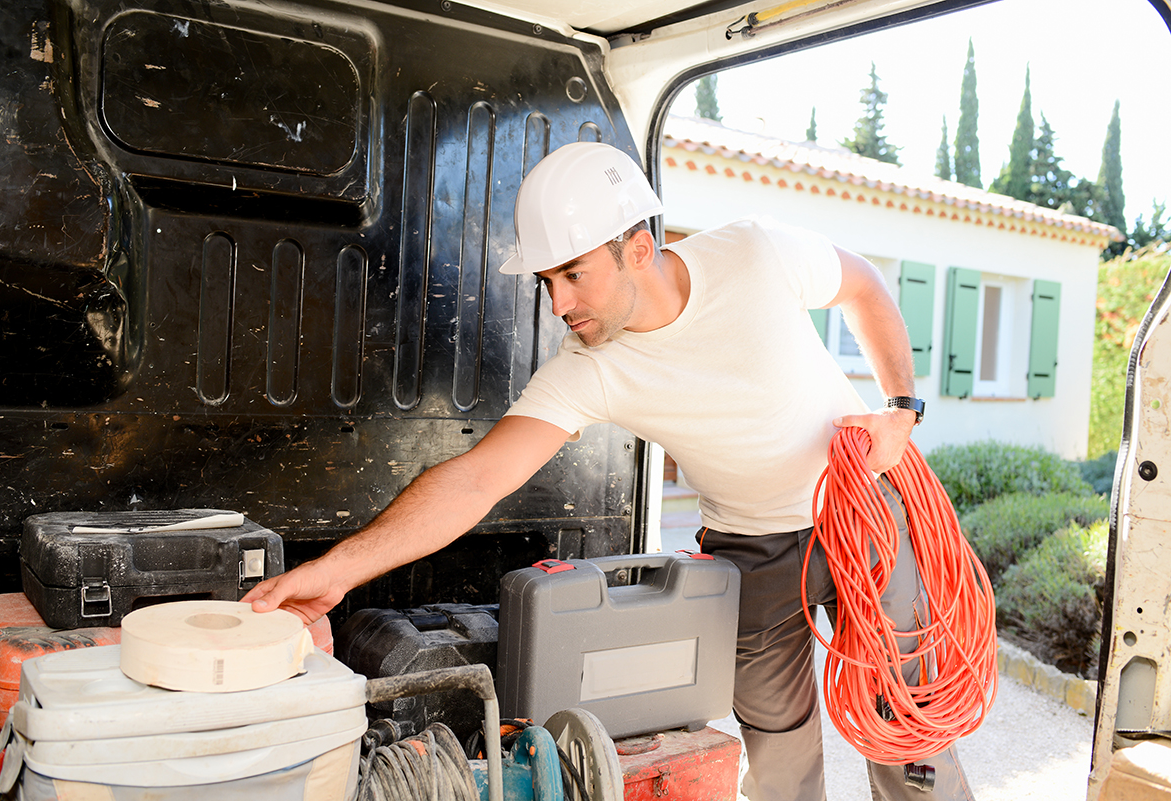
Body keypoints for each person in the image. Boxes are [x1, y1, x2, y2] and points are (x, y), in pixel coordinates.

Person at [244, 141, 974, 800]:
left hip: (863, 509)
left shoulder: (755, 254)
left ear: (637, 246)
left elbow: (866, 286)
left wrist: (901, 409)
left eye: (572, 273)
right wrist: (339, 571)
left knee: (909, 734)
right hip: (751, 549)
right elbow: (474, 479)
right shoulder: (589, 369)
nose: (558, 303)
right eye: (546, 280)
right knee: (780, 766)